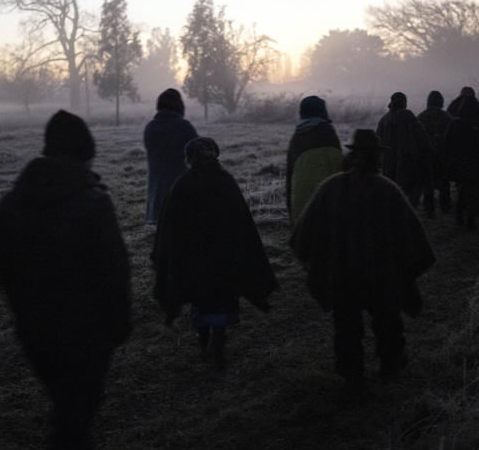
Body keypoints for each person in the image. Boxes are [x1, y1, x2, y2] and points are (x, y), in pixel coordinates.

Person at [0, 110, 131, 450]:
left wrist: (26, 308)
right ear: (85, 152)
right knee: (71, 428)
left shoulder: (11, 202)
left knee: (72, 414)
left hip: (35, 333)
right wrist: (116, 329)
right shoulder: (92, 202)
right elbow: (114, 273)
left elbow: (1, 270)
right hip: (86, 338)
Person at [290, 129, 434, 387]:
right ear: (378, 158)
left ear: (352, 154)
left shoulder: (331, 187)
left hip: (342, 276)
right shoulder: (387, 190)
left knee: (346, 327)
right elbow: (413, 239)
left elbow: (304, 235)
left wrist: (318, 263)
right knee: (388, 321)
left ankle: (351, 375)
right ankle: (390, 366)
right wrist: (404, 272)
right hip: (381, 276)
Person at [152, 137, 278, 370]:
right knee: (223, 297)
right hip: (225, 258)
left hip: (194, 259)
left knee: (199, 297)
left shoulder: (183, 184)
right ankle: (217, 341)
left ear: (189, 159)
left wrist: (166, 256)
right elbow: (243, 224)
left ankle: (205, 342)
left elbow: (168, 226)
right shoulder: (226, 181)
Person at [143, 88, 198, 224]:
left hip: (157, 199)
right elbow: (199, 153)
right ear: (178, 105)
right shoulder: (184, 127)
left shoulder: (150, 127)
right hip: (182, 195)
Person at [285, 95, 342, 224]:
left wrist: (290, 208)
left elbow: (290, 175)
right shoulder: (328, 133)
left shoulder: (297, 137)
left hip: (301, 208)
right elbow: (338, 170)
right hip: (329, 206)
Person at [375, 92, 432, 207]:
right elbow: (423, 140)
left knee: (392, 196)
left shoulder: (383, 120)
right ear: (404, 103)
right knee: (409, 198)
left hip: (388, 167)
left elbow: (377, 143)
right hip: (408, 164)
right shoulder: (409, 117)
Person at [443, 96, 479, 231]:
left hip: (458, 163)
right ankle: (470, 220)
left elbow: (446, 143)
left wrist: (448, 160)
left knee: (462, 189)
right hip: (476, 163)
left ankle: (459, 215)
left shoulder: (454, 123)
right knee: (473, 191)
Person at [417, 91, 452, 217]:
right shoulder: (447, 117)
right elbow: (451, 138)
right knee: (444, 182)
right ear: (441, 102)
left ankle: (429, 208)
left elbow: (416, 138)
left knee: (428, 183)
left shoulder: (421, 117)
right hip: (443, 156)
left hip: (426, 156)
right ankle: (445, 206)